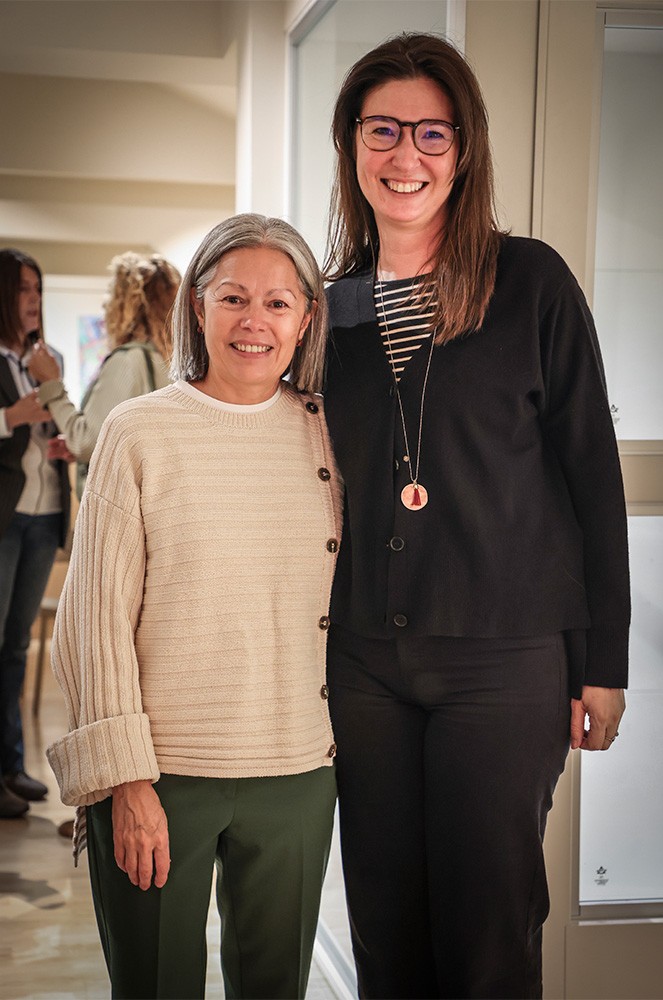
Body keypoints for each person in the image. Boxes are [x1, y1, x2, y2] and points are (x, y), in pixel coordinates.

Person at [322, 33, 629, 1000]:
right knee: (384, 924)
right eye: (382, 129)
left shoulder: (530, 282)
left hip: (505, 659)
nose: (405, 155)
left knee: (486, 928)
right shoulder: (330, 307)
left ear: (463, 150)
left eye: (432, 133)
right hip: (363, 662)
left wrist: (605, 662)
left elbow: (593, 475)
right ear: (352, 142)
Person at [46, 214, 342, 1000]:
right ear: (198, 307)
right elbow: (94, 620)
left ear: (306, 317)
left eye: (278, 303)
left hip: (296, 773)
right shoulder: (138, 431)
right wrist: (125, 782)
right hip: (159, 776)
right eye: (233, 297)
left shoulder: (330, 436)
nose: (254, 321)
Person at [0, 248, 71, 819]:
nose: (33, 299)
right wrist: (11, 417)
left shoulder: (51, 360)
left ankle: (11, 766)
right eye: (23, 288)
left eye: (38, 289)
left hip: (45, 515)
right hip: (5, 518)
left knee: (17, 646)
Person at [28, 251, 180, 497]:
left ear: (126, 304)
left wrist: (52, 385)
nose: (105, 304)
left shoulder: (127, 361)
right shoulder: (172, 363)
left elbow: (87, 443)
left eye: (111, 295)